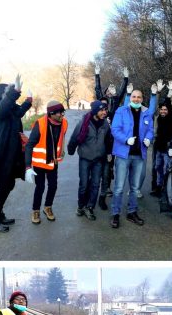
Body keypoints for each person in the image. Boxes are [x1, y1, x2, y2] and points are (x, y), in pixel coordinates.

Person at [0, 75, 33, 232]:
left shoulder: (10, 109)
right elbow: (4, 107)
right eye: (9, 92)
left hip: (10, 154)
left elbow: (19, 111)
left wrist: (28, 101)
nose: (13, 95)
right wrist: (15, 91)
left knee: (8, 184)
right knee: (5, 185)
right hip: (0, 155)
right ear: (3, 95)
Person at [109, 84, 158, 228]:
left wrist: (149, 138)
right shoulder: (121, 111)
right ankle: (115, 213)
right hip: (123, 155)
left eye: (139, 97)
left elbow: (150, 130)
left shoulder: (146, 113)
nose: (136, 99)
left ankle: (132, 212)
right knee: (118, 187)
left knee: (135, 187)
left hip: (139, 155)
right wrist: (125, 139)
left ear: (143, 99)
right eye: (134, 96)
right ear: (130, 98)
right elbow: (115, 129)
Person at [67, 100, 112, 221]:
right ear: (95, 111)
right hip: (85, 159)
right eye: (102, 110)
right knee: (84, 184)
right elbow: (74, 138)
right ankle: (81, 206)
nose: (104, 112)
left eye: (105, 110)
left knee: (95, 184)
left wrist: (109, 153)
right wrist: (70, 150)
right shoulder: (84, 123)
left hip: (98, 159)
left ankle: (89, 207)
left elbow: (108, 140)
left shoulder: (105, 124)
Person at [25, 100, 67, 224]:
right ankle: (35, 210)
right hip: (39, 163)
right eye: (58, 113)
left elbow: (60, 140)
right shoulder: (40, 124)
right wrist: (28, 167)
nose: (61, 115)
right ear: (51, 114)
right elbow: (29, 145)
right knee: (40, 187)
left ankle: (48, 207)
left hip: (53, 162)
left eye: (62, 112)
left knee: (53, 186)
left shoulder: (64, 123)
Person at [94, 65, 129, 210]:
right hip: (98, 142)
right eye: (109, 89)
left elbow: (120, 94)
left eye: (112, 90)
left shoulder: (114, 105)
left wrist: (125, 79)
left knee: (108, 166)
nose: (110, 91)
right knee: (97, 167)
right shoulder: (101, 103)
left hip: (110, 142)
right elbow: (98, 90)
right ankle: (96, 188)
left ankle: (106, 188)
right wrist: (97, 75)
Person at [151, 97, 172, 196]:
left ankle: (166, 189)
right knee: (158, 168)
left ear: (168, 110)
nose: (163, 111)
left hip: (168, 149)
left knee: (167, 169)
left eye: (165, 109)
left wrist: (171, 96)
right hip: (159, 148)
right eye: (161, 109)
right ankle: (158, 187)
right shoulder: (158, 119)